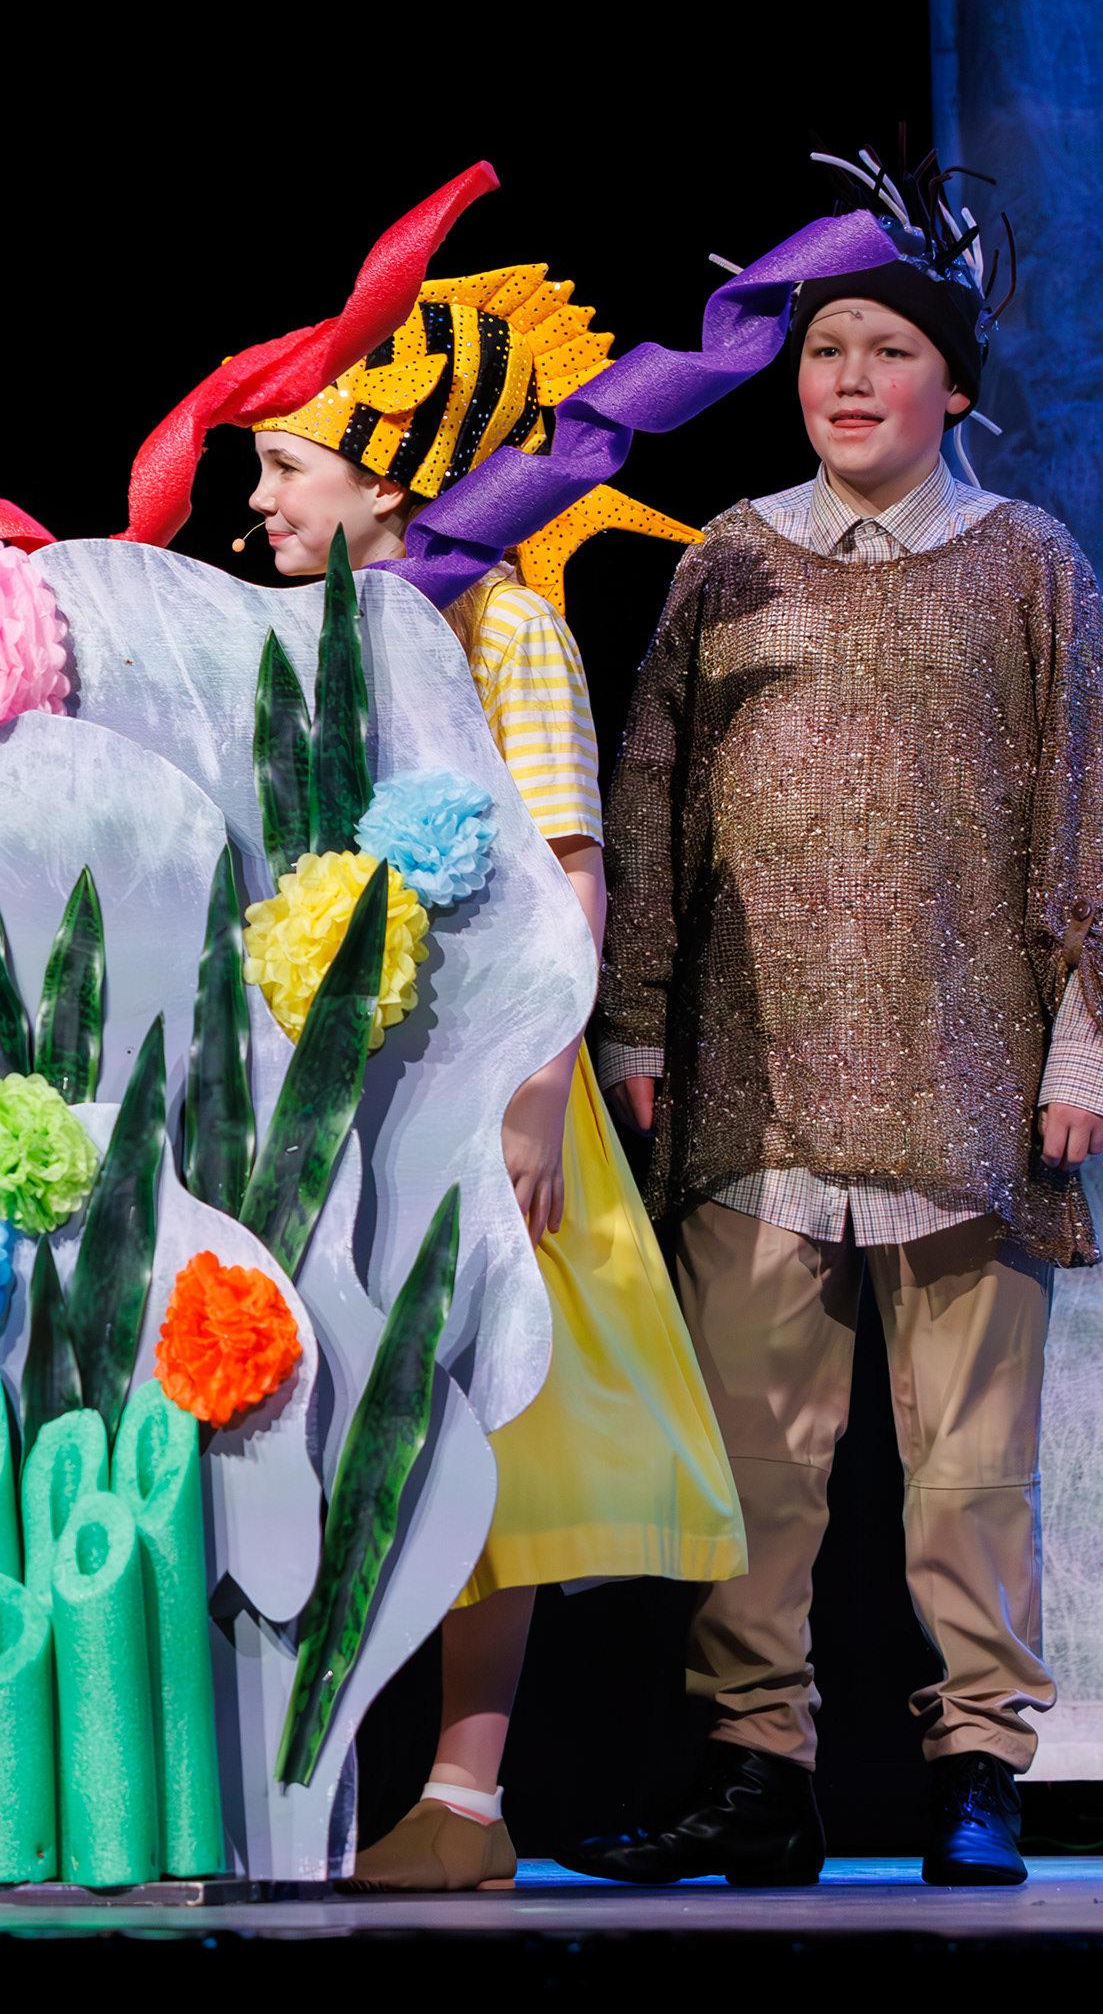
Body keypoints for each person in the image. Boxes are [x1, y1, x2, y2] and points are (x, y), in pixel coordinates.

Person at [566, 158, 1103, 1890]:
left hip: (966, 1069)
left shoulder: (1025, 563)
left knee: (970, 1462)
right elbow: (652, 790)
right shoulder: (731, 560)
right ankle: (758, 1772)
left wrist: (1089, 1038)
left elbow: (1094, 799)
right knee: (756, 1457)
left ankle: (979, 1759)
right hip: (756, 1072)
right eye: (825, 346)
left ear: (952, 387)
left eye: (888, 350)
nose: (847, 376)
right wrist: (636, 1021)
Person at [228, 262, 748, 1891]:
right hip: (337, 1084)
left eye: (287, 466)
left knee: (480, 1416)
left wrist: (532, 1095)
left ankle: (464, 1793)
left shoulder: (505, 624)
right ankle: (302, 1779)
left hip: (481, 1072)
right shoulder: (303, 629)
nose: (259, 500)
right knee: (328, 1416)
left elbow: (568, 873)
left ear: (390, 480)